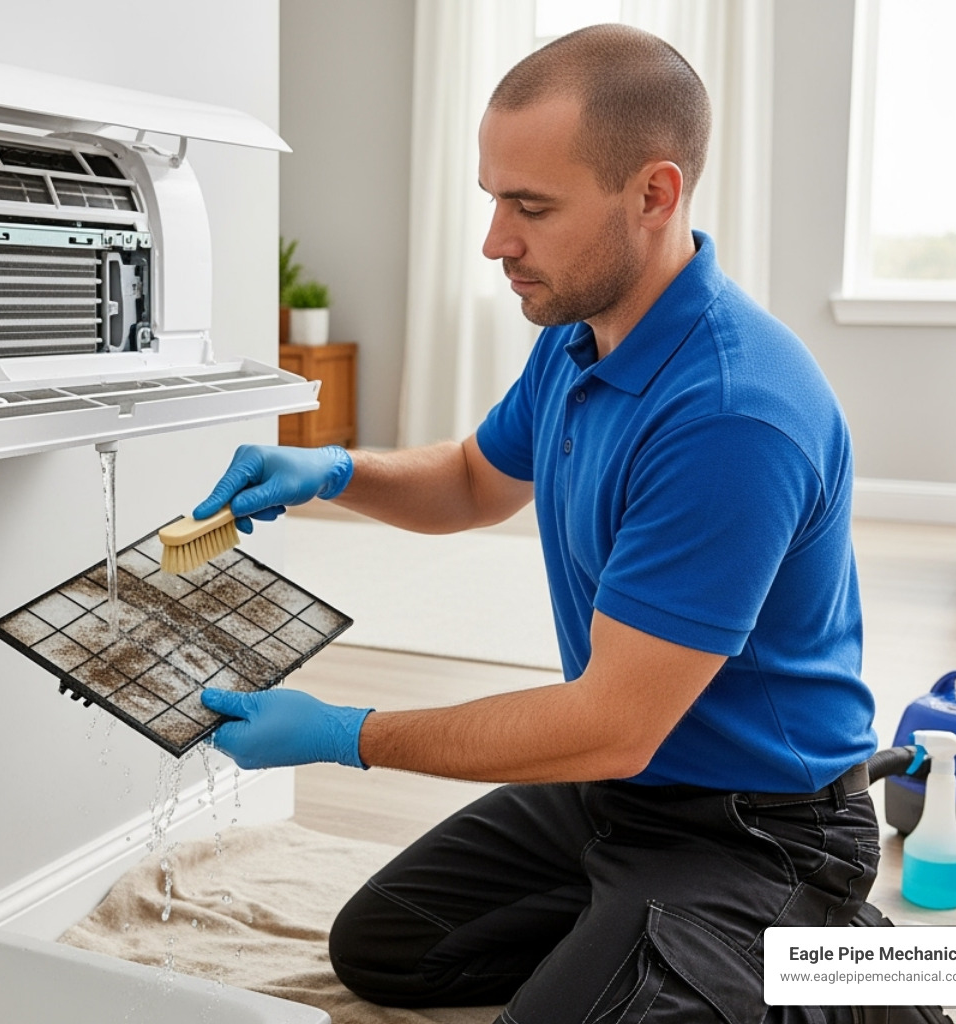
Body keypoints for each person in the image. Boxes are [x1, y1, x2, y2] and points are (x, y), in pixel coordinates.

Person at [195, 24, 880, 1024]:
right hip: (615, 793)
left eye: (532, 206)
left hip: (756, 827)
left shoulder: (732, 414)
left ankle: (853, 975)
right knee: (384, 949)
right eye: (492, 199)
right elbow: (476, 480)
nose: (495, 241)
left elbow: (610, 723)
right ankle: (665, 949)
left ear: (654, 195)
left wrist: (348, 734)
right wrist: (334, 471)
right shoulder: (579, 332)